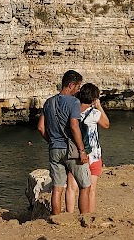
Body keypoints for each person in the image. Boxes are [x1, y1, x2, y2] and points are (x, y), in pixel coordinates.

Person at [37, 70, 91, 214]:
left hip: (54, 149)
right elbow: (74, 126)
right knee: (85, 186)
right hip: (71, 150)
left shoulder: (49, 102)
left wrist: (52, 142)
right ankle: (84, 218)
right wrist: (82, 150)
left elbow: (41, 127)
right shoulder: (74, 102)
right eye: (78, 86)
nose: (79, 90)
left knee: (57, 188)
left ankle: (56, 219)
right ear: (71, 85)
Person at [65, 83, 110, 213]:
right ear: (93, 98)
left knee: (71, 188)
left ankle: (69, 215)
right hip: (93, 154)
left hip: (76, 153)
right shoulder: (94, 113)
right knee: (91, 189)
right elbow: (106, 124)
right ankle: (89, 216)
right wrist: (99, 106)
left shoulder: (72, 111)